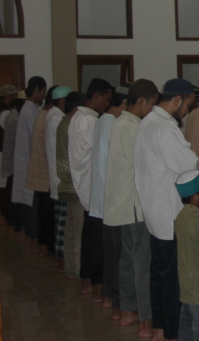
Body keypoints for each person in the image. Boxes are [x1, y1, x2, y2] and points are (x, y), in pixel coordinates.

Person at [135, 79, 199, 341]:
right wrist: (198, 160)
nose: (186, 111)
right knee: (173, 278)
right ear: (176, 100)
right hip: (168, 214)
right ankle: (172, 333)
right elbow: (188, 164)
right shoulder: (163, 127)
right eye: (187, 105)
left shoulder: (147, 123)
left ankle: (160, 329)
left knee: (158, 275)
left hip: (154, 211)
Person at [104, 79, 158, 337]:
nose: (153, 109)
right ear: (143, 101)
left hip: (122, 204)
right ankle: (145, 319)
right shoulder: (132, 128)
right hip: (135, 204)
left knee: (127, 259)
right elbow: (144, 167)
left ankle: (128, 310)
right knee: (141, 261)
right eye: (153, 104)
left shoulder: (120, 123)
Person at [68, 77, 112, 297]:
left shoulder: (80, 117)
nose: (107, 104)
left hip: (85, 187)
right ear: (96, 96)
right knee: (96, 241)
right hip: (91, 187)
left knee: (89, 237)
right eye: (106, 99)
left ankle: (88, 281)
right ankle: (95, 284)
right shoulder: (89, 121)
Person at [90, 83, 129, 308]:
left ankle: (107, 296)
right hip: (111, 199)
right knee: (117, 254)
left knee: (110, 253)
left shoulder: (103, 120)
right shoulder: (113, 124)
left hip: (102, 199)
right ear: (124, 103)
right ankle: (115, 300)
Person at [12, 76, 47, 245]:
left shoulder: (27, 108)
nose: (44, 95)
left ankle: (27, 235)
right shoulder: (30, 110)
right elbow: (36, 136)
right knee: (30, 202)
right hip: (29, 160)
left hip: (25, 159)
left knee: (27, 200)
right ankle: (30, 237)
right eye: (43, 91)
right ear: (36, 90)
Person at [57, 91, 87, 281]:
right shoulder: (71, 126)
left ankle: (70, 266)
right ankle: (77, 270)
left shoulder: (63, 123)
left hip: (66, 184)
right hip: (76, 184)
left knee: (70, 230)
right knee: (79, 232)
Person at [25, 85, 58, 256]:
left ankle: (43, 246)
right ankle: (47, 248)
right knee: (46, 215)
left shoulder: (42, 114)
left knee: (43, 213)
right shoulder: (47, 117)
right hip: (45, 173)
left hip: (41, 172)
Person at [174, 170, 199, 341]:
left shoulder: (180, 216)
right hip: (198, 288)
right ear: (195, 197)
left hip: (185, 287)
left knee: (185, 326)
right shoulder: (197, 220)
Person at [45, 85, 72, 272]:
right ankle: (61, 258)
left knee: (60, 221)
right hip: (61, 178)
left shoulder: (51, 116)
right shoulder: (57, 119)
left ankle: (59, 256)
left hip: (56, 177)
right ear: (62, 101)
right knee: (63, 222)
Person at [1, 90, 27, 231]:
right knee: (14, 197)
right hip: (13, 164)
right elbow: (20, 141)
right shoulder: (15, 119)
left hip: (13, 163)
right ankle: (13, 223)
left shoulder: (14, 116)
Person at [0, 84, 18, 223]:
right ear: (9, 96)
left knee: (5, 187)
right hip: (4, 155)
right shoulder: (5, 113)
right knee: (6, 188)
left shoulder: (2, 110)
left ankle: (6, 217)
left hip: (1, 154)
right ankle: (6, 217)